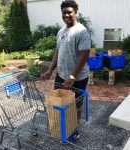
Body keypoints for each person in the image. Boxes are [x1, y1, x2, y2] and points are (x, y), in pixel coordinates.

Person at [41, 0, 90, 138]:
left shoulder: (82, 31)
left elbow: (84, 56)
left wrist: (72, 77)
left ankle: (74, 129)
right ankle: (63, 125)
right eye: (64, 12)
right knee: (61, 101)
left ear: (75, 13)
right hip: (61, 75)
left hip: (78, 77)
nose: (67, 15)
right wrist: (50, 70)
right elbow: (58, 52)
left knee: (76, 105)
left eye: (70, 12)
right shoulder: (61, 31)